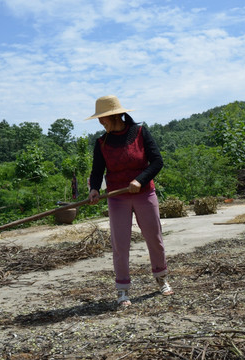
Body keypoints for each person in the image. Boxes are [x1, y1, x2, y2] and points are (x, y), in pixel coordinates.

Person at [87, 95, 174, 307]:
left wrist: (140, 180)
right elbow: (97, 170)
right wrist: (94, 189)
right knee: (120, 244)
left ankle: (161, 278)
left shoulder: (141, 133)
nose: (100, 122)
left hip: (144, 193)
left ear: (116, 115)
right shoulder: (101, 143)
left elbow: (157, 162)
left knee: (154, 237)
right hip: (117, 197)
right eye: (99, 119)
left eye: (103, 118)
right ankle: (123, 290)